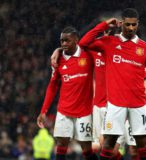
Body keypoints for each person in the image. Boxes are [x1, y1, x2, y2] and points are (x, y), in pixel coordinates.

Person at [78, 8, 146, 160]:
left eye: (133, 25)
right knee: (108, 143)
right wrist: (103, 25)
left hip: (138, 104)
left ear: (137, 25)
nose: (130, 28)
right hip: (115, 105)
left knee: (141, 144)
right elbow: (83, 43)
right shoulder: (109, 43)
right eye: (127, 24)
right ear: (121, 24)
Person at [37, 27, 98, 160]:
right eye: (61, 41)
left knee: (87, 149)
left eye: (67, 40)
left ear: (76, 40)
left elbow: (93, 39)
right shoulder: (57, 61)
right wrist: (43, 111)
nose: (63, 43)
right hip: (64, 111)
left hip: (84, 112)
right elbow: (53, 86)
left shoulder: (87, 54)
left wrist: (104, 25)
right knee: (61, 146)